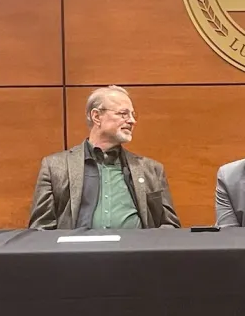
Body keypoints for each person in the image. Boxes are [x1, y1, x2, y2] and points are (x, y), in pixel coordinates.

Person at [29, 85, 180, 229]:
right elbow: (40, 229)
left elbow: (169, 226)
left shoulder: (151, 170)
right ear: (96, 116)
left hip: (134, 253)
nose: (132, 121)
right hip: (77, 254)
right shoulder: (55, 167)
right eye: (123, 114)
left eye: (133, 115)